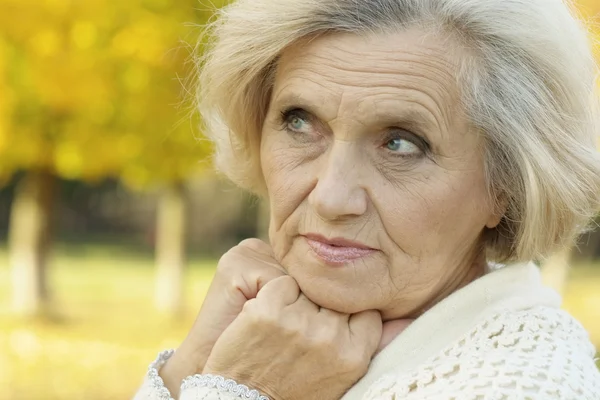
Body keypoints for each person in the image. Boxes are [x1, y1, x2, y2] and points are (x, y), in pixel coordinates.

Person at [134, 0, 600, 399]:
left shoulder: (522, 384)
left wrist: (241, 388)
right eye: (299, 122)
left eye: (400, 143)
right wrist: (190, 367)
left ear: (507, 184)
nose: (332, 197)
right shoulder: (269, 329)